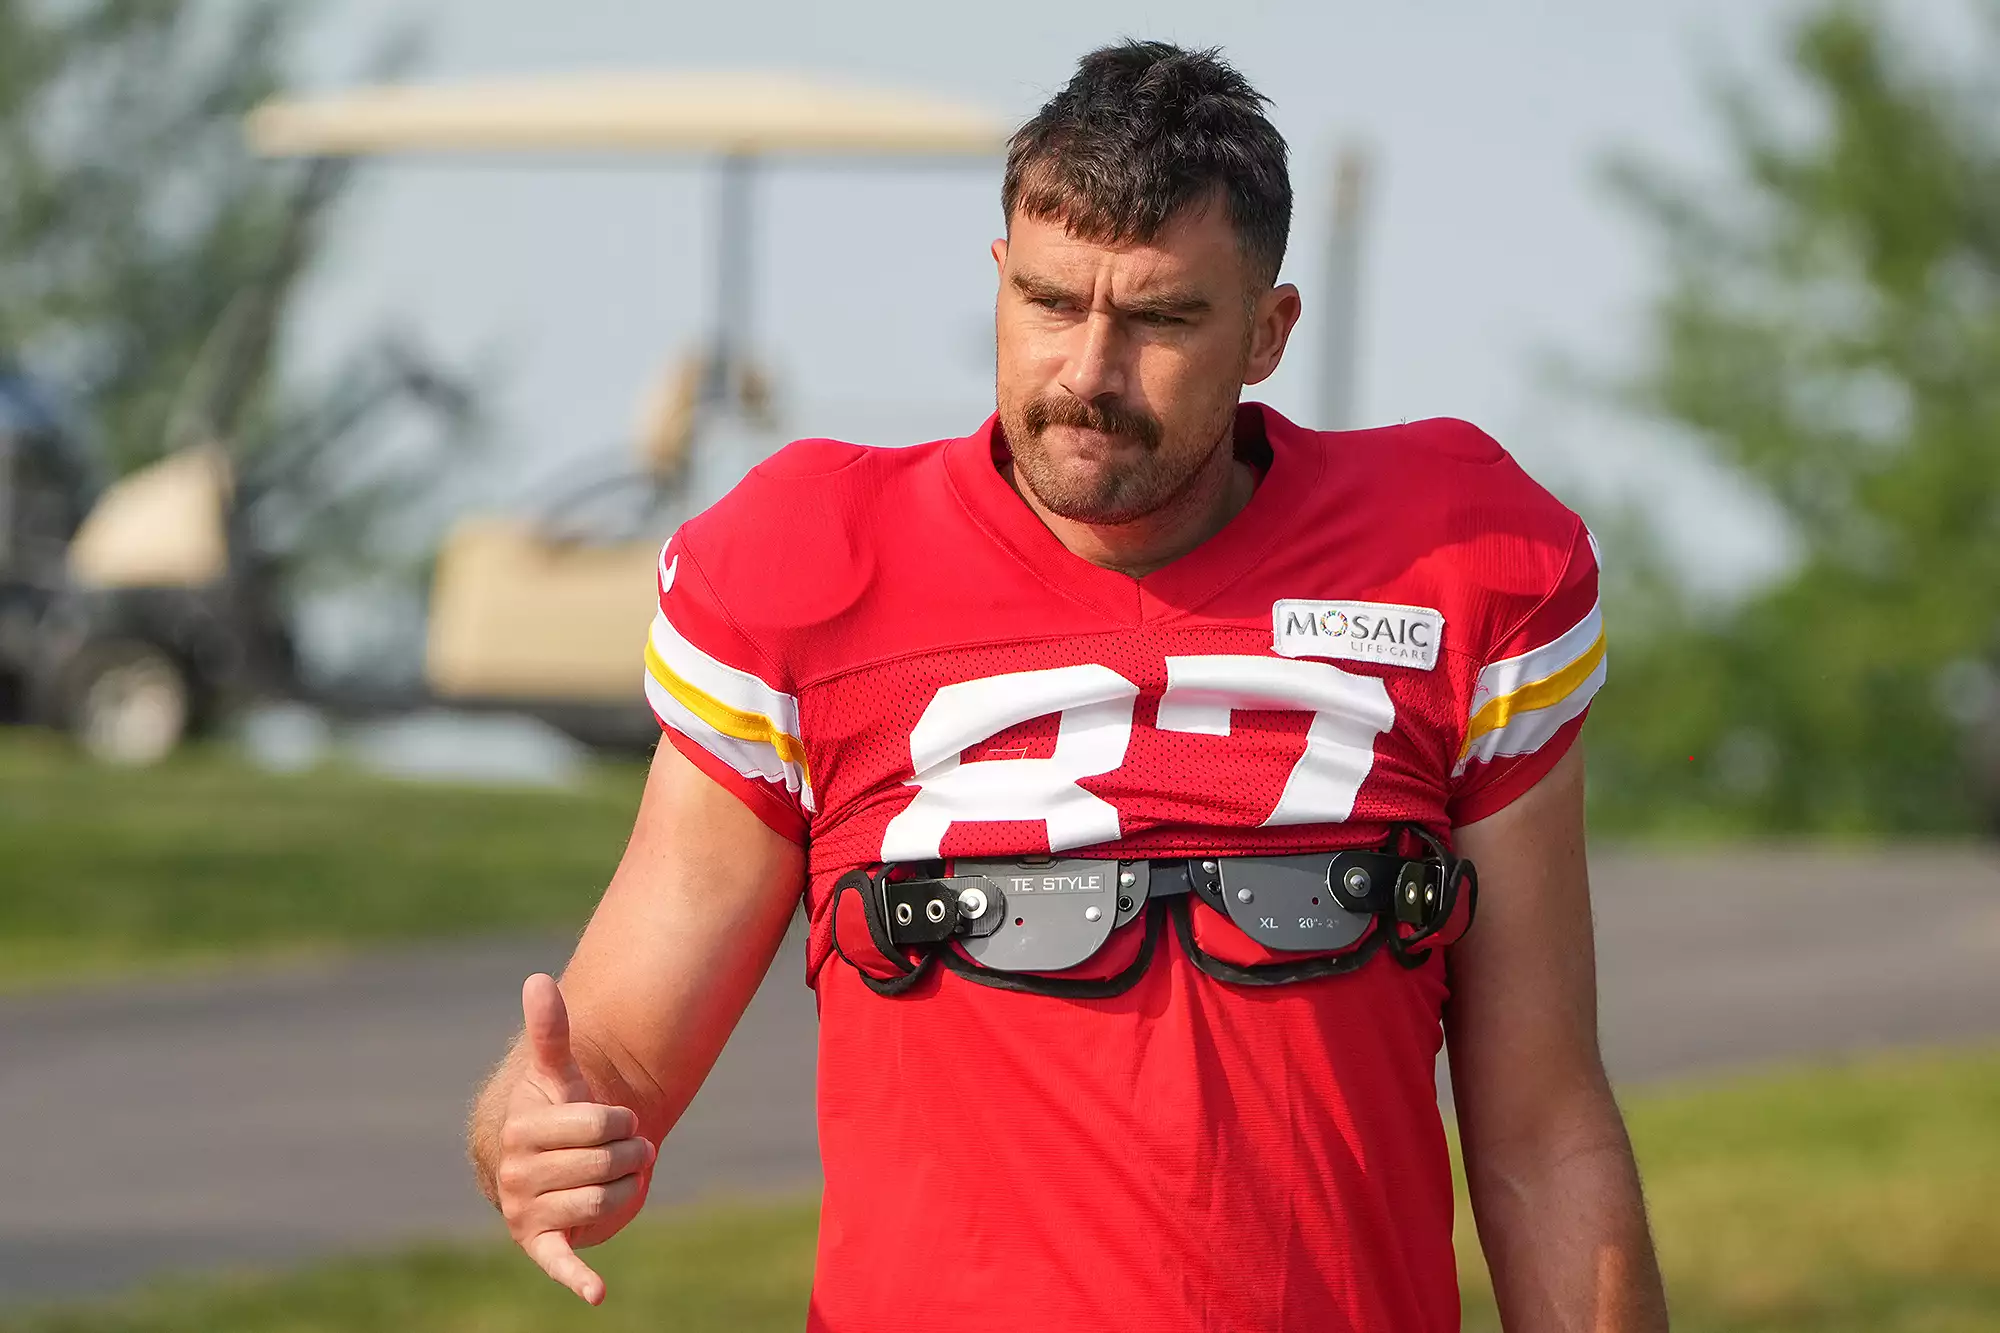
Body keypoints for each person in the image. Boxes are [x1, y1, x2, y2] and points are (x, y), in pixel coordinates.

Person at [467, 39, 1669, 1332]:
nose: (1088, 375)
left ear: (1268, 333)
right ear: (998, 279)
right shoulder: (809, 568)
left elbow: (1544, 1128)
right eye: (1050, 304)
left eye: (1160, 319)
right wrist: (529, 1136)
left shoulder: (1461, 565)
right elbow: (610, 1057)